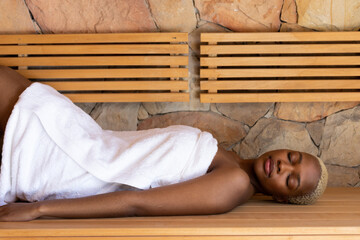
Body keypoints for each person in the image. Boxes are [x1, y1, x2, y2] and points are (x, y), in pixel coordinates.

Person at [0, 65, 328, 222]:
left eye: (291, 179)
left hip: (73, 165)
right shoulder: (231, 163)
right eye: (292, 157)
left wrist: (39, 210)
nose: (284, 166)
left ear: (283, 198)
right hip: (83, 140)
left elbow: (136, 203)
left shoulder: (234, 184)